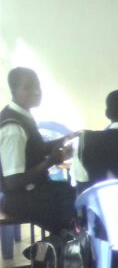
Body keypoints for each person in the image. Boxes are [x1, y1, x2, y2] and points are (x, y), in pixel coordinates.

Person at [0, 67, 75, 233]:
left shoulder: (23, 115)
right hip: (19, 199)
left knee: (76, 193)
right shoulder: (13, 127)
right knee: (74, 204)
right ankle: (60, 250)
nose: (36, 92)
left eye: (38, 86)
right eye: (28, 87)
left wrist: (67, 138)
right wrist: (51, 161)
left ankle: (61, 248)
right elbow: (12, 182)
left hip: (34, 191)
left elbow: (36, 149)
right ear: (14, 91)